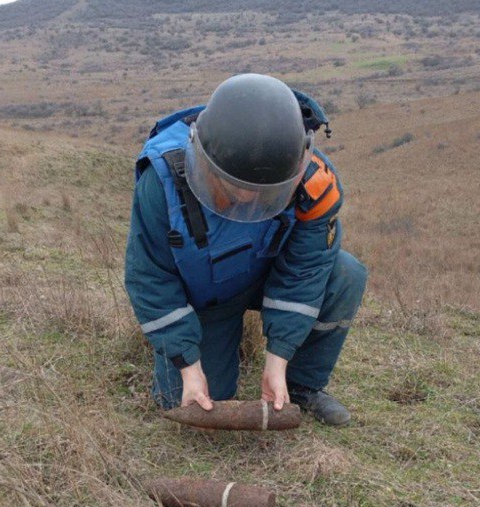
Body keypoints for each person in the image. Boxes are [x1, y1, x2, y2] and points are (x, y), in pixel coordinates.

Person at [124, 73, 367, 426]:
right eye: (233, 188)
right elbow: (149, 278)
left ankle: (301, 386)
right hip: (206, 298)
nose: (249, 200)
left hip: (265, 275)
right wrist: (188, 364)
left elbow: (305, 270)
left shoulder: (315, 184)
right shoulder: (162, 180)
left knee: (346, 274)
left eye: (264, 192)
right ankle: (200, 355)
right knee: (183, 403)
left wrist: (278, 358)